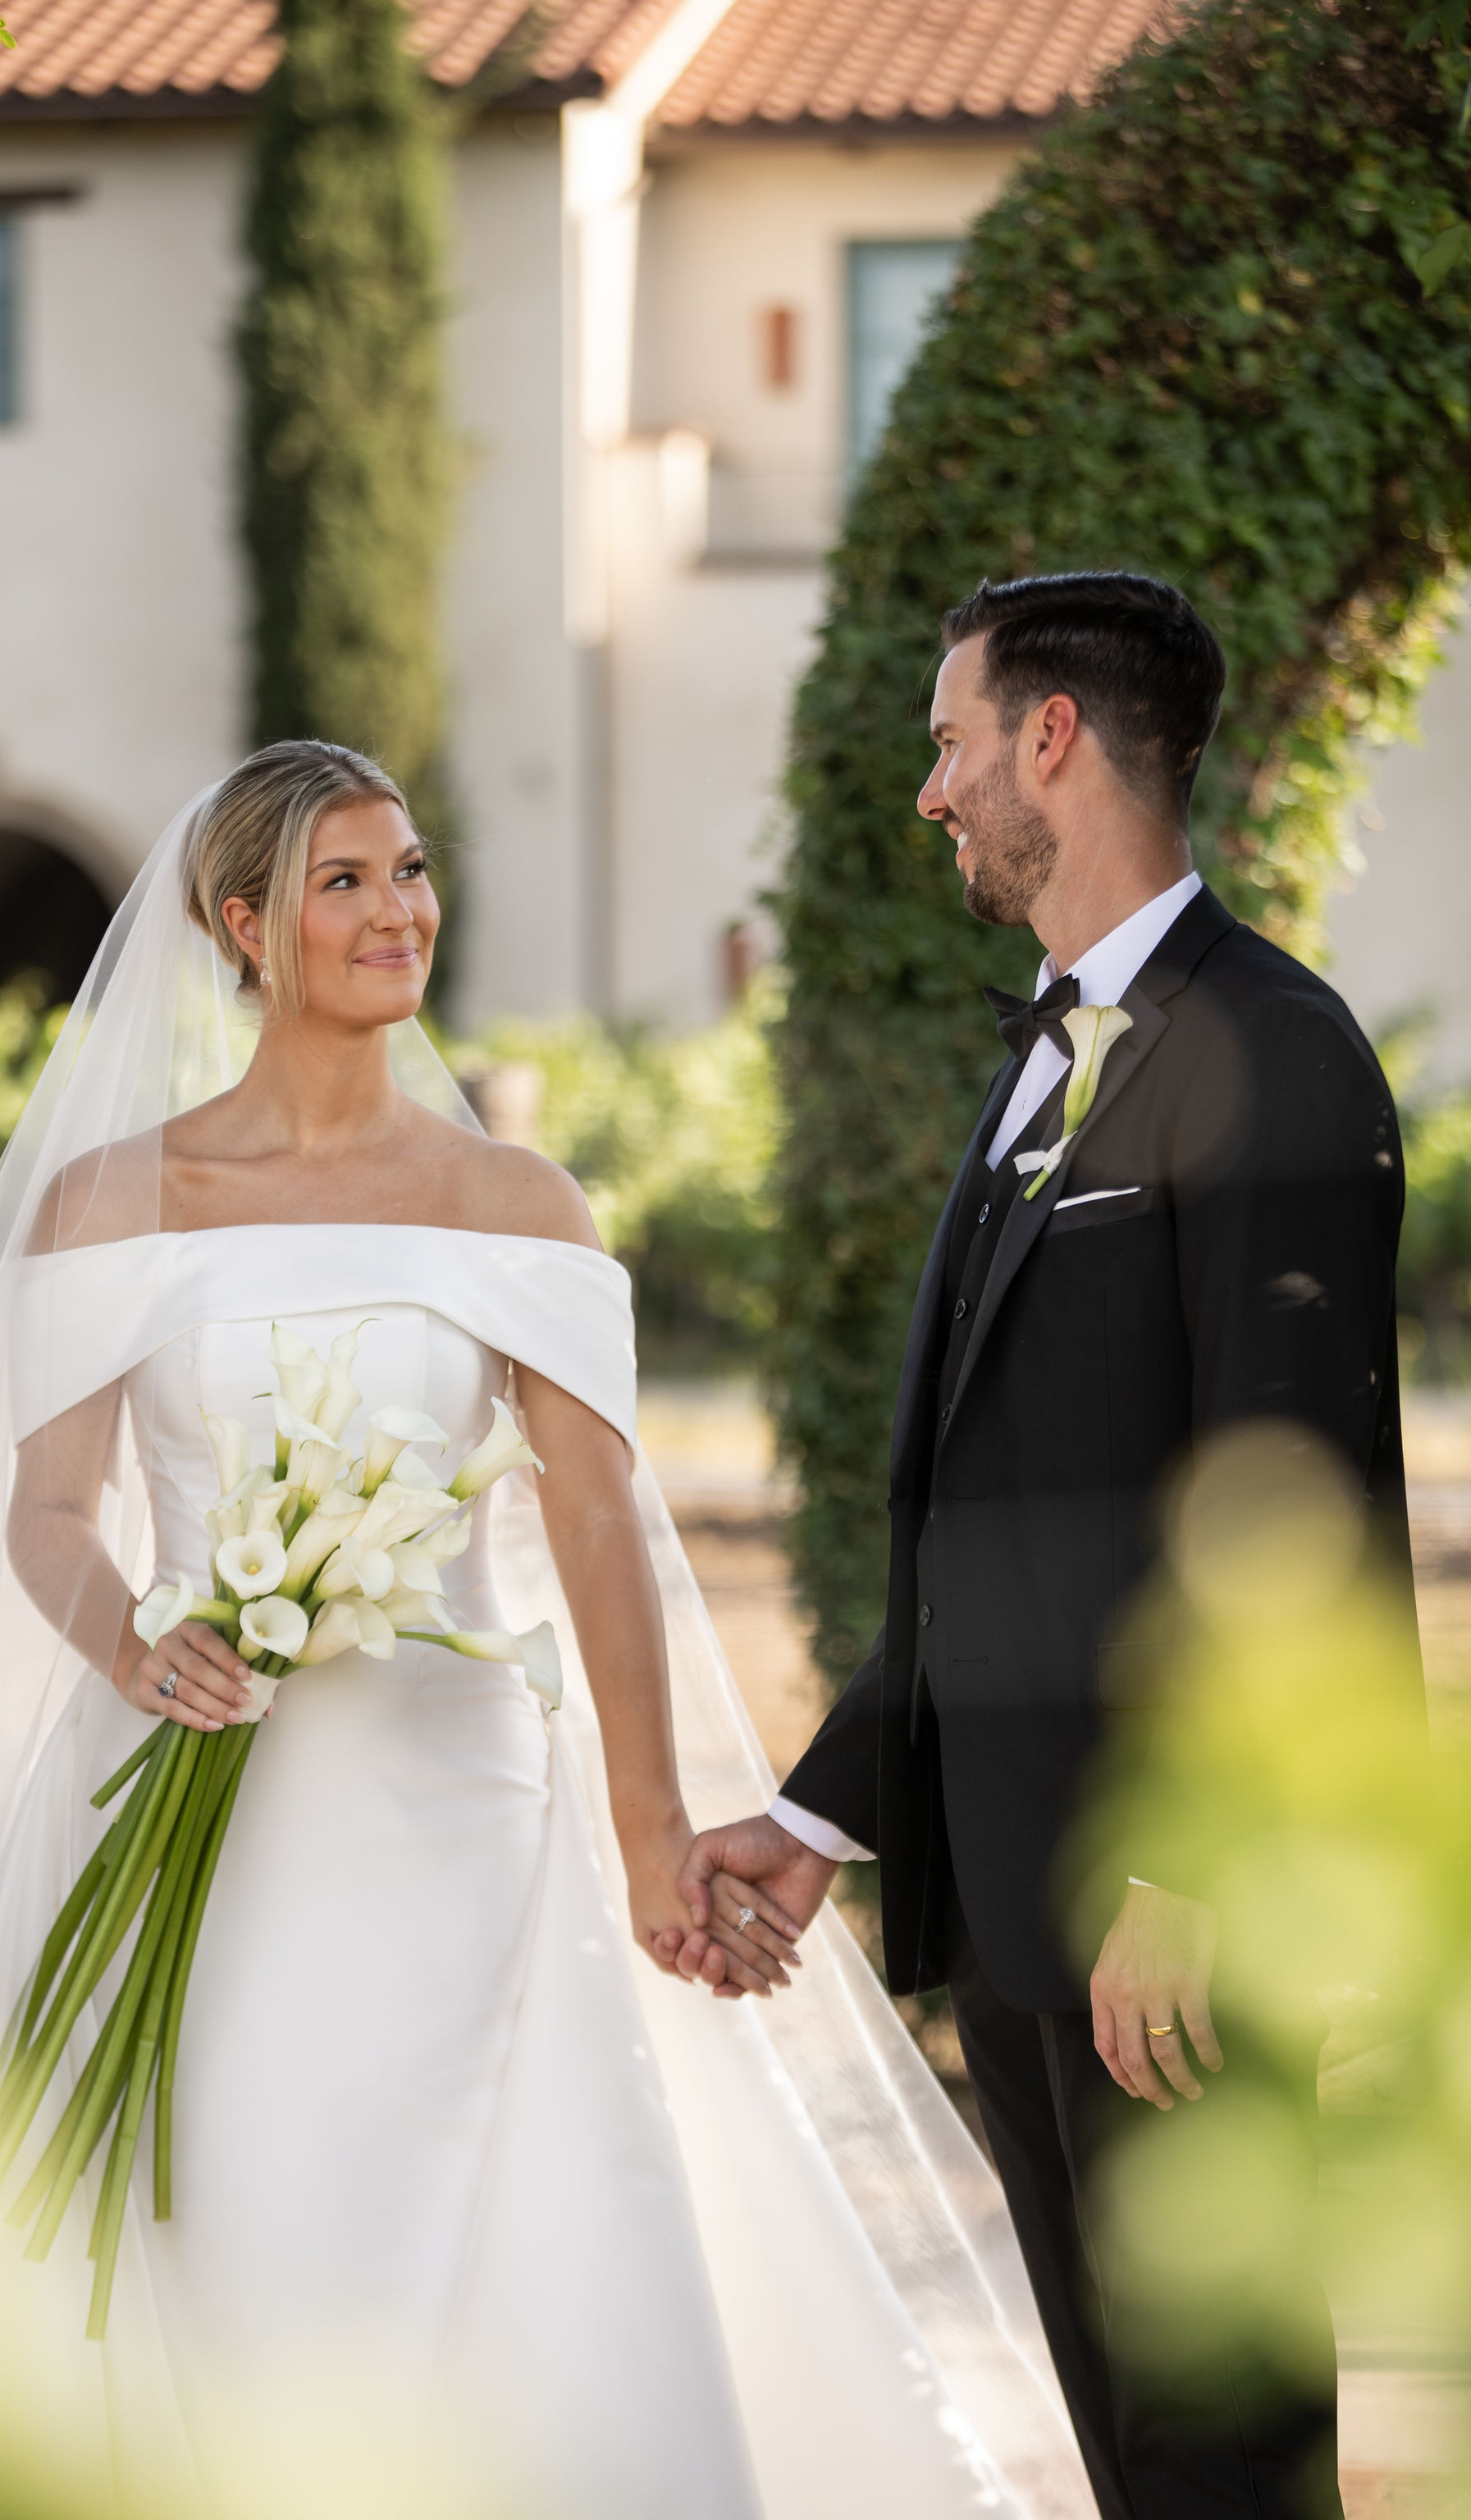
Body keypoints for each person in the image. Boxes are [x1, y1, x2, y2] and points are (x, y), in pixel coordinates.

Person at [0, 741, 1095, 2518]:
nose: (397, 908)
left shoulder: (519, 1208)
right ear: (242, 925)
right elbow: (44, 1513)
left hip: (460, 1807)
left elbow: (602, 1540)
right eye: (343, 880)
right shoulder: (114, 1201)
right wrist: (126, 1641)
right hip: (191, 1788)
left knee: (478, 2239)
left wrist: (649, 1832)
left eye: (409, 870)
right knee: (211, 2217)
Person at [675, 572, 1419, 2520]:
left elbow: (1294, 1492)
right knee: (1131, 2455)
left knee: (1229, 2457)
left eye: (948, 742)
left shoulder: (1278, 1050)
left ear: (1050, 741)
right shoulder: (1040, 1063)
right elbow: (995, 1524)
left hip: (1173, 1914)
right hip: (1025, 1921)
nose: (933, 794)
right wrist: (822, 1810)